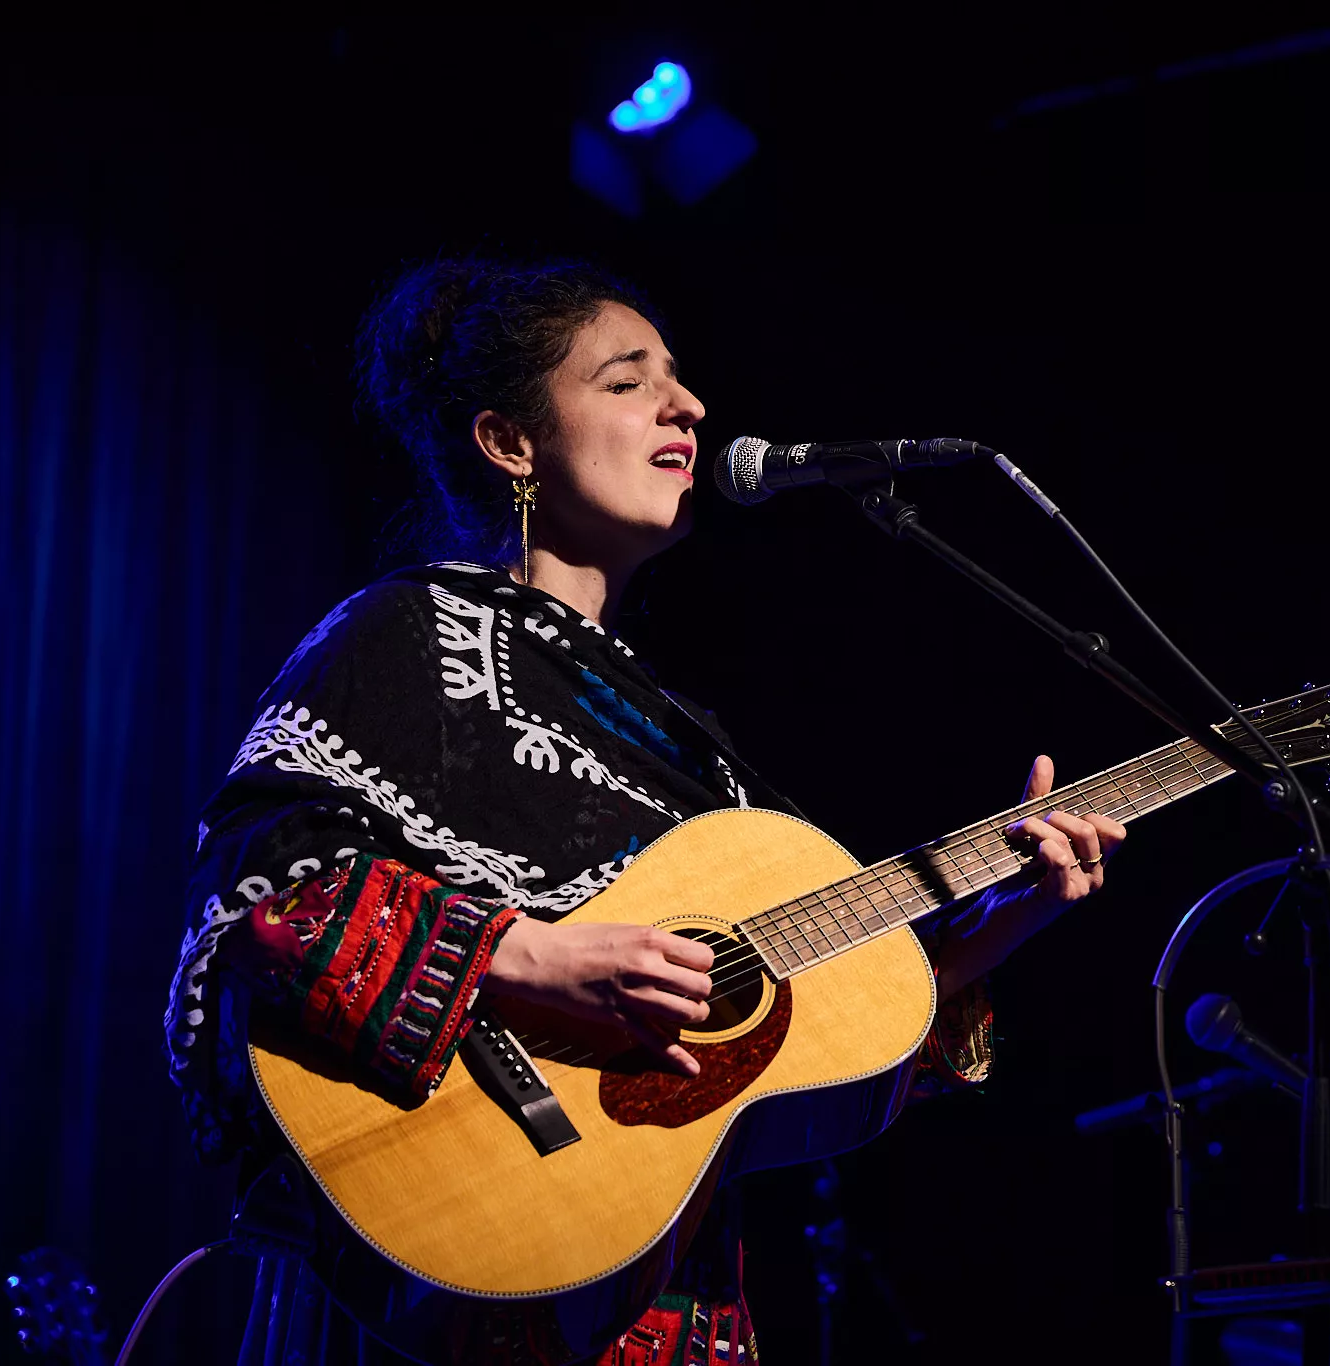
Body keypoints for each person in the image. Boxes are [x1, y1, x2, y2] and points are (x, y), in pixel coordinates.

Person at [164, 257, 1126, 1365]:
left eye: (678, 378)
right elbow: (259, 897)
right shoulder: (405, 631)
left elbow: (802, 1049)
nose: (690, 407)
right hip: (432, 1286)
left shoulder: (692, 750)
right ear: (509, 442)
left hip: (667, 1308)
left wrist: (991, 928)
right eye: (627, 382)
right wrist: (529, 960)